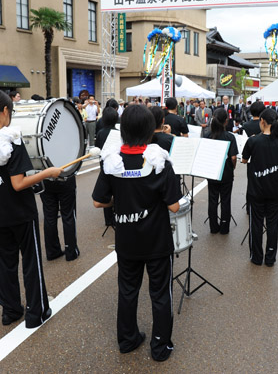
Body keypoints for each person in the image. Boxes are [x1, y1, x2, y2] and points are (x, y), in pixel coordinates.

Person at [92, 104, 182, 362]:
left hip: (127, 240)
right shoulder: (159, 160)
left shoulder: (112, 161)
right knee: (160, 292)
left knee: (128, 290)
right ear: (149, 130)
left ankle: (128, 340)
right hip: (156, 241)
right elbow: (174, 205)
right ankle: (160, 346)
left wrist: (119, 201)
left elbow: (99, 201)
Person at [0, 89, 58, 328]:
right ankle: (36, 313)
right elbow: (18, 184)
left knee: (6, 261)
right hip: (20, 210)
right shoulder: (10, 138)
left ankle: (10, 311)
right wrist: (47, 173)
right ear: (5, 110)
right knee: (31, 261)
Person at [241, 108, 278, 267]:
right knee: (273, 224)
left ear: (262, 122)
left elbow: (244, 160)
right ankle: (270, 258)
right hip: (275, 190)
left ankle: (256, 257)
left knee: (256, 223)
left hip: (257, 190)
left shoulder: (253, 141)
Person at [203, 108, 238, 235]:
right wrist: (233, 167)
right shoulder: (230, 136)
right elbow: (233, 157)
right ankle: (224, 227)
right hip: (226, 172)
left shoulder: (207, 135)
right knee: (225, 200)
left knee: (212, 199)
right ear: (226, 121)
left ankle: (213, 226)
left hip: (212, 171)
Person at [95, 106, 120, 232]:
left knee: (105, 192)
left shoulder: (100, 133)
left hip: (104, 165)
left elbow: (98, 149)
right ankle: (117, 216)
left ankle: (108, 219)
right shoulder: (118, 133)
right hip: (115, 166)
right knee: (116, 190)